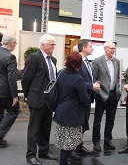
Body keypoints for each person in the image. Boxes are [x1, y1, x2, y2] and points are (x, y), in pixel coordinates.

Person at [22, 34, 58, 165]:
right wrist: (28, 94)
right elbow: (26, 78)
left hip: (49, 100)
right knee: (34, 129)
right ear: (43, 45)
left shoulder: (53, 60)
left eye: (54, 44)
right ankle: (31, 155)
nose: (53, 47)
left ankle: (44, 151)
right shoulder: (34, 57)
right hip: (37, 99)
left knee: (46, 127)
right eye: (51, 44)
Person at [53, 51, 90, 165]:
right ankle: (63, 163)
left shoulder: (61, 73)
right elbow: (84, 99)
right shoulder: (78, 79)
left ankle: (64, 162)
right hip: (72, 115)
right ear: (79, 64)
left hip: (60, 111)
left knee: (63, 141)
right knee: (68, 143)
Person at [69, 39, 100, 159]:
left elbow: (87, 78)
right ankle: (72, 149)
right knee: (76, 125)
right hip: (79, 99)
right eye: (91, 46)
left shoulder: (87, 61)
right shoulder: (78, 62)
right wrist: (90, 86)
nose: (92, 48)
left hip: (86, 98)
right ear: (83, 48)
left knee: (83, 124)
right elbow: (76, 80)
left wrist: (94, 84)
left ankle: (79, 146)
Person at [92, 41, 121, 152]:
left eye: (114, 49)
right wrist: (97, 92)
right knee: (97, 120)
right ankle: (96, 142)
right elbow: (93, 78)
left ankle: (107, 141)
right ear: (105, 48)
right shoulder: (97, 61)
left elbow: (117, 78)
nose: (113, 51)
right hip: (101, 95)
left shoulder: (117, 62)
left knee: (111, 120)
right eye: (111, 48)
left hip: (113, 95)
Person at [0, 34, 20, 148]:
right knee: (13, 111)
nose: (15, 45)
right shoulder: (10, 57)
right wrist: (15, 96)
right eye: (15, 43)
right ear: (12, 43)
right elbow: (11, 78)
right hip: (5, 92)